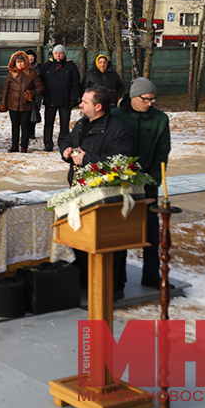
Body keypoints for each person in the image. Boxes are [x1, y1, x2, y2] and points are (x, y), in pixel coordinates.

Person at [60, 85, 133, 299]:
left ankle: (112, 286)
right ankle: (85, 281)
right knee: (81, 237)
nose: (80, 105)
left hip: (105, 195)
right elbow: (68, 140)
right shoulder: (82, 124)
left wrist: (88, 159)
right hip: (79, 190)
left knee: (106, 241)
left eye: (85, 102)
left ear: (98, 106)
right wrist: (66, 151)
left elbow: (121, 161)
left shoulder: (118, 129)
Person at [111, 78, 171, 289]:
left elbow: (162, 153)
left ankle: (152, 274)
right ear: (134, 97)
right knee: (120, 228)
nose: (150, 104)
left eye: (153, 100)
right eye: (146, 100)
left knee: (151, 230)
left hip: (147, 183)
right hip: (119, 183)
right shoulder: (116, 116)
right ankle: (118, 278)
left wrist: (153, 178)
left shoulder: (160, 119)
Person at [0, 51, 44, 153]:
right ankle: (14, 145)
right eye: (17, 62)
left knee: (25, 125)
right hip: (13, 104)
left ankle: (24, 146)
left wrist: (32, 93)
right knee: (15, 125)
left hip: (26, 105)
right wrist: (3, 103)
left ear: (25, 62)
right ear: (14, 63)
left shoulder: (32, 73)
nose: (20, 64)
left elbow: (40, 87)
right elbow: (5, 89)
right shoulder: (11, 74)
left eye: (21, 62)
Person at [39, 44, 81, 152]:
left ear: (64, 54)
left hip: (65, 100)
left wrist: (73, 98)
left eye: (60, 53)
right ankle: (48, 144)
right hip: (50, 99)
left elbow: (76, 83)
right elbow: (41, 81)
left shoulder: (71, 66)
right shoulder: (47, 65)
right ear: (53, 54)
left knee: (65, 124)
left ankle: (63, 143)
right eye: (56, 53)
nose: (58, 55)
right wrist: (43, 95)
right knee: (48, 123)